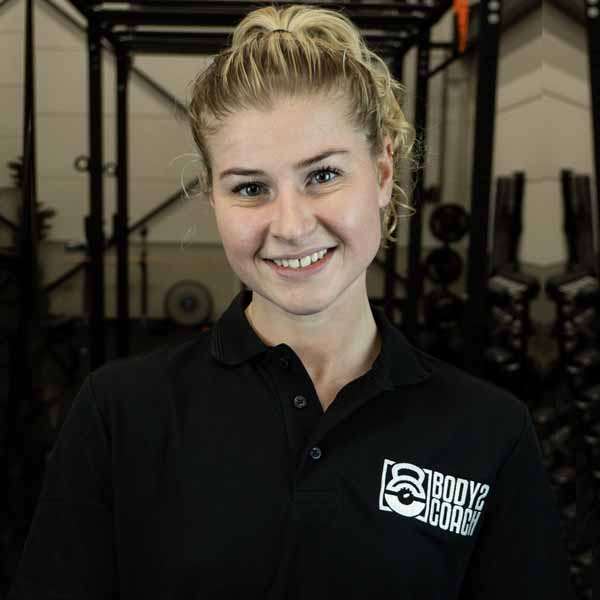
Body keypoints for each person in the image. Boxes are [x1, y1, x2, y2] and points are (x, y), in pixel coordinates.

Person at [8, 4, 575, 599]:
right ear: (214, 197)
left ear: (383, 171)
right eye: (251, 187)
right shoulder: (119, 414)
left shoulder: (488, 432)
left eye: (323, 175)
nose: (291, 226)